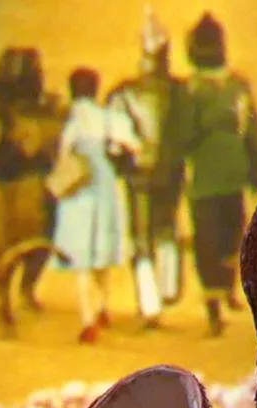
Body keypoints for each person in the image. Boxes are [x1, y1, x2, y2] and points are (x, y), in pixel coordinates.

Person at [0, 47, 66, 335]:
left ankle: (18, 293)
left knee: (21, 242)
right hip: (8, 180)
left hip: (16, 180)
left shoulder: (41, 108)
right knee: (8, 244)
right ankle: (6, 301)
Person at [176, 12, 257, 336]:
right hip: (233, 174)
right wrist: (256, 168)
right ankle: (224, 293)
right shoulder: (238, 86)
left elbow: (180, 137)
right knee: (232, 233)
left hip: (204, 178)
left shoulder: (189, 92)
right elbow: (255, 132)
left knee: (208, 241)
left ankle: (214, 303)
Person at [104, 10, 189, 329]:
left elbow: (112, 144)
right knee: (166, 227)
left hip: (138, 176)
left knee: (141, 238)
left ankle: (150, 305)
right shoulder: (182, 92)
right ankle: (167, 287)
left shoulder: (123, 93)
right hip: (171, 171)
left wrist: (121, 166)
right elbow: (188, 134)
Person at [50, 67, 138, 344]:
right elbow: (131, 145)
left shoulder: (70, 119)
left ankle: (88, 321)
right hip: (105, 185)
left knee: (81, 258)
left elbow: (63, 153)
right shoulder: (107, 117)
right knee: (101, 250)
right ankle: (103, 308)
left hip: (79, 188)